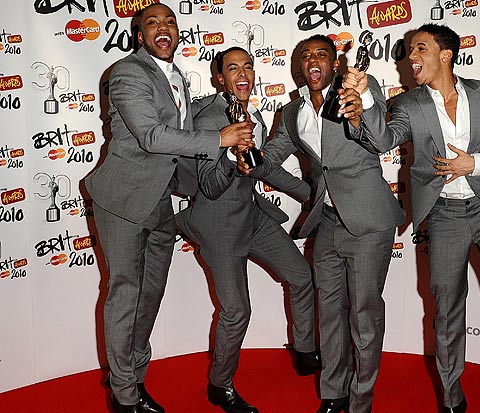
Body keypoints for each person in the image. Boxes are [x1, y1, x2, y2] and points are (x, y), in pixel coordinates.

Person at [354, 23, 480, 413]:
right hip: (445, 215)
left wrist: (476, 163)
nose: (410, 57)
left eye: (420, 48)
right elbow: (382, 140)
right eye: (408, 51)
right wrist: (366, 96)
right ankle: (452, 399)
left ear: (445, 54)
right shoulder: (408, 105)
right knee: (447, 310)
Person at [84, 4, 254, 413]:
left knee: (150, 296)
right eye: (152, 23)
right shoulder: (127, 73)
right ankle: (126, 397)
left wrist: (226, 158)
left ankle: (131, 373)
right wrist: (218, 140)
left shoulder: (177, 77)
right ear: (139, 35)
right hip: (123, 201)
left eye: (170, 22)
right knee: (125, 294)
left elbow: (181, 140)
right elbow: (150, 135)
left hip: (162, 202)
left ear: (178, 33)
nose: (163, 28)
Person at [239, 34, 405, 413]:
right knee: (328, 312)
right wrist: (252, 160)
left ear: (334, 64)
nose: (313, 60)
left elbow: (381, 141)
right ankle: (334, 394)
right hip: (327, 222)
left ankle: (361, 401)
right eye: (306, 55)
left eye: (322, 55)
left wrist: (361, 106)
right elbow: (274, 155)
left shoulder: (357, 88)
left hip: (367, 220)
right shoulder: (293, 112)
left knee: (363, 314)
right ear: (300, 67)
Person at [175, 46, 321, 413]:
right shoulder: (210, 118)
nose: (243, 73)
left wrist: (314, 197)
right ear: (220, 78)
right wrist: (229, 155)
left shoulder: (250, 111)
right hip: (218, 223)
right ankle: (219, 385)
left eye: (249, 67)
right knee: (237, 310)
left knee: (302, 277)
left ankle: (304, 350)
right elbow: (209, 186)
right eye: (233, 68)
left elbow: (263, 167)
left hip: (252, 216)